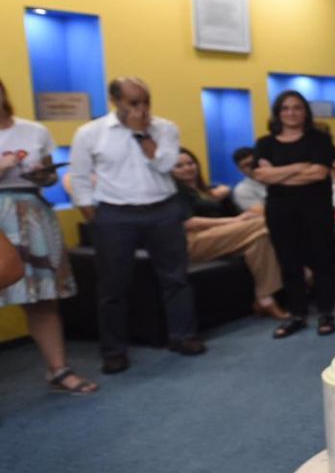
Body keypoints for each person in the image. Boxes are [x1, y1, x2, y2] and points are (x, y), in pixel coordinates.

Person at [71, 77, 206, 372]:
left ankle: (183, 336)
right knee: (113, 286)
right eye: (133, 102)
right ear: (115, 101)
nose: (142, 108)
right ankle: (114, 351)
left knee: (176, 278)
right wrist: (91, 215)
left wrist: (142, 134)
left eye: (146, 101)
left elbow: (165, 165)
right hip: (115, 214)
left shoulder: (165, 128)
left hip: (163, 210)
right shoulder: (90, 133)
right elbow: (79, 176)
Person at [0, 78, 96, 394]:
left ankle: (58, 370)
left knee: (43, 297)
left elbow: (50, 177)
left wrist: (44, 174)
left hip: (33, 213)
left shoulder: (34, 130)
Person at [253, 91, 335, 338]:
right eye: (285, 108)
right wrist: (300, 167)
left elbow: (319, 174)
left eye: (297, 107)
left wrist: (278, 174)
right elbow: (261, 176)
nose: (291, 113)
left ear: (305, 112)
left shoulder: (319, 140)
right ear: (278, 113)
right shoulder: (265, 143)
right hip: (280, 212)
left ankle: (326, 312)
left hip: (316, 209)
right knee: (289, 262)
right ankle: (297, 314)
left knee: (322, 260)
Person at [170, 148, 286, 320]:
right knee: (263, 222)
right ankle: (301, 270)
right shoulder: (173, 191)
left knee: (261, 238)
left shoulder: (206, 190)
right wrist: (235, 221)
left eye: (190, 163)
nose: (187, 168)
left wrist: (223, 201)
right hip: (192, 241)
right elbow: (188, 222)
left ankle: (265, 300)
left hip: (219, 236)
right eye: (179, 166)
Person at [230, 146, 267, 213]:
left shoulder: (279, 178)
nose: (253, 167)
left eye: (254, 162)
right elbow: (264, 214)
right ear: (240, 170)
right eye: (247, 165)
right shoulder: (242, 190)